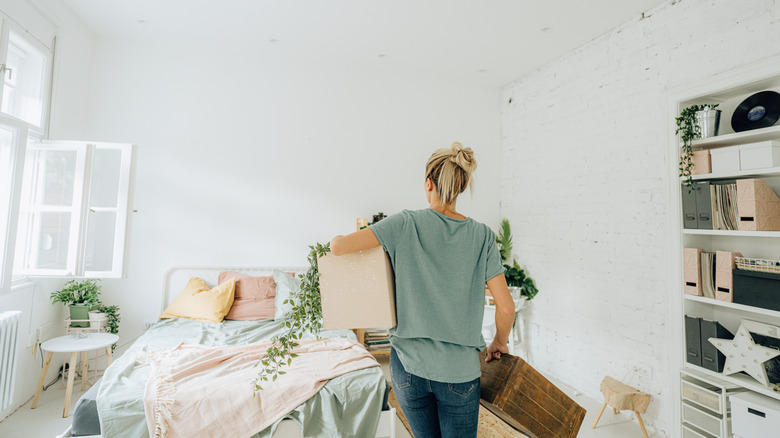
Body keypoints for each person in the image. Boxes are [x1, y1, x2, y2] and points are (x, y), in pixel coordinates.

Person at [330, 142, 515, 438]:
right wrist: (499, 342)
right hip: (460, 374)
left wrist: (336, 238)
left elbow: (339, 247)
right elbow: (506, 308)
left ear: (428, 183)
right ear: (461, 187)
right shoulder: (482, 236)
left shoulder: (404, 223)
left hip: (408, 369)